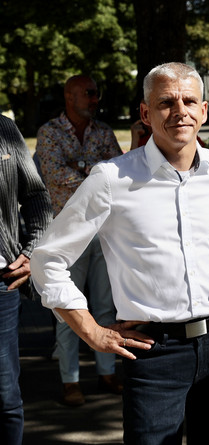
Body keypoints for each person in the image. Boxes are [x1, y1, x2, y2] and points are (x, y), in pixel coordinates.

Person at [30, 62, 209, 445]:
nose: (180, 111)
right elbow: (48, 258)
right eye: (166, 102)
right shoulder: (112, 179)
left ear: (204, 111)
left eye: (189, 101)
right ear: (145, 113)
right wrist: (90, 331)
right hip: (152, 354)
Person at [35, 74, 124, 406]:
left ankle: (106, 372)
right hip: (69, 236)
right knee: (68, 308)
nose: (95, 99)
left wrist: (81, 167)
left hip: (104, 232)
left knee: (105, 306)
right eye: (89, 93)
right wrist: (94, 173)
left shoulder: (103, 132)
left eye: (96, 94)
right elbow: (55, 175)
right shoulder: (49, 133)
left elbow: (116, 173)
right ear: (69, 96)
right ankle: (70, 380)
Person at [0, 114, 52, 444]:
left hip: (2, 284)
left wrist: (32, 249)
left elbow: (35, 195)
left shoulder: (3, 129)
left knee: (4, 397)